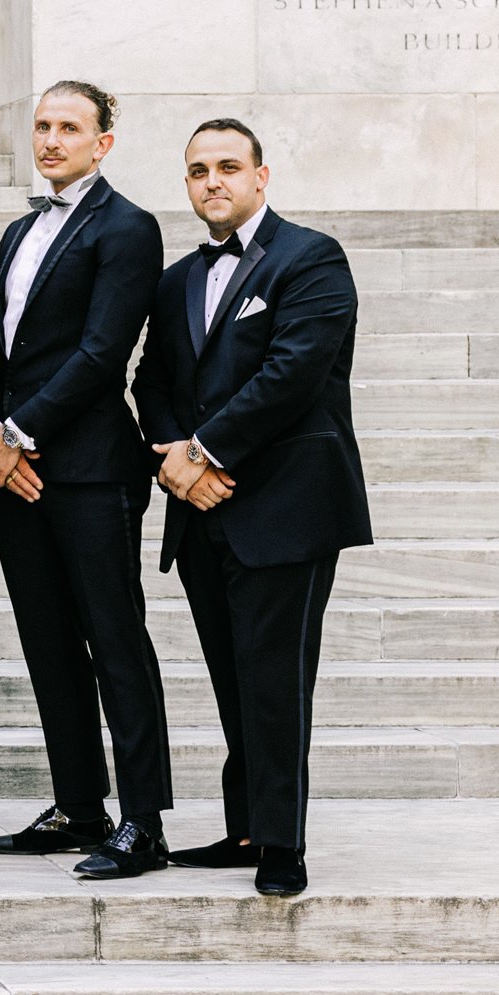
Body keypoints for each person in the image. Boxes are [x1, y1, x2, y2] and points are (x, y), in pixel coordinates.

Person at [133, 118, 367, 898]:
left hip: (285, 506)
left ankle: (282, 842)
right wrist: (175, 458)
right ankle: (243, 826)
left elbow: (293, 373)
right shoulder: (173, 282)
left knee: (275, 678)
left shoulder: (311, 259)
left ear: (261, 176)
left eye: (228, 166)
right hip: (202, 510)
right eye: (198, 170)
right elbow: (151, 382)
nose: (213, 182)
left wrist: (204, 452)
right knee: (234, 678)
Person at [0, 81, 172, 880]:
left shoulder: (127, 227)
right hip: (15, 475)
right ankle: (78, 806)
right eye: (43, 126)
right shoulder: (21, 227)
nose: (51, 140)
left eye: (69, 127)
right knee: (48, 644)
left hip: (89, 471)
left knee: (115, 642)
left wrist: (20, 433)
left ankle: (144, 821)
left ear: (104, 141)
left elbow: (102, 351)